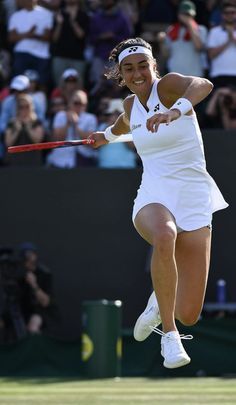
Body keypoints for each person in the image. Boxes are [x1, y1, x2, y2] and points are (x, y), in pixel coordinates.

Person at [89, 37, 228, 369]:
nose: (137, 74)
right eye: (128, 69)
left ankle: (159, 301)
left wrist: (175, 110)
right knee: (165, 235)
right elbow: (125, 125)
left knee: (190, 313)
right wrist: (105, 136)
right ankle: (169, 335)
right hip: (155, 194)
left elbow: (203, 84)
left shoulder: (168, 87)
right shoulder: (128, 106)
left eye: (142, 66)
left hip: (194, 197)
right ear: (120, 74)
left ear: (153, 67)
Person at [4, 93, 45, 166]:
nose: (24, 109)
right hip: (14, 163)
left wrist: (28, 126)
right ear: (17, 108)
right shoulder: (11, 123)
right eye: (21, 107)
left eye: (27, 106)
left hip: (33, 162)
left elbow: (37, 141)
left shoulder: (37, 122)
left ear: (31, 107)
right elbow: (8, 143)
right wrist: (17, 129)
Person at [207, 1, 236, 88]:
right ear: (222, 15)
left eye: (233, 12)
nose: (230, 15)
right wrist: (227, 41)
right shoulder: (214, 32)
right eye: (227, 13)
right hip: (219, 74)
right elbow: (211, 55)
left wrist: (232, 39)